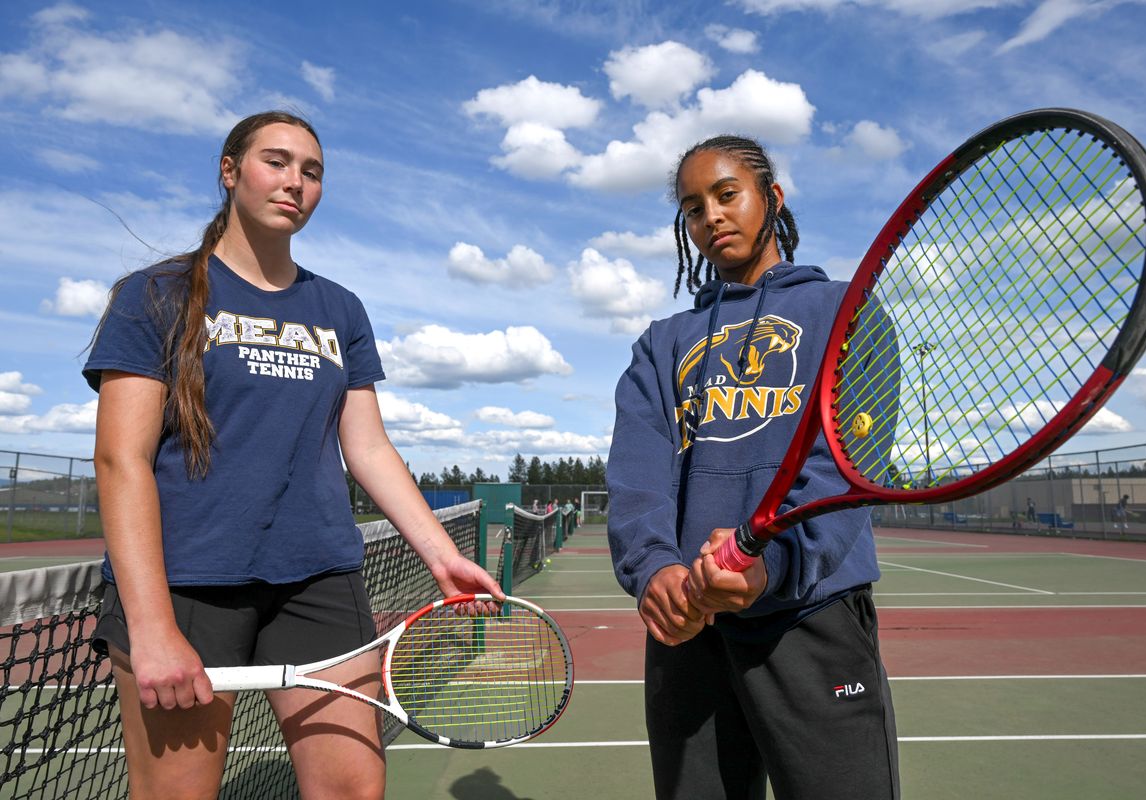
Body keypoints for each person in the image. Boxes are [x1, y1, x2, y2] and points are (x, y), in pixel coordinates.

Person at [84, 111, 502, 800]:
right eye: (276, 162)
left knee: (353, 789)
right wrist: (153, 628)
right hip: (185, 583)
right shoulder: (153, 295)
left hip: (316, 581)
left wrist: (441, 555)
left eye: (312, 172)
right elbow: (119, 462)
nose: (295, 183)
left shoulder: (339, 308)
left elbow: (365, 446)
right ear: (229, 171)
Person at [606, 135, 900, 799]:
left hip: (809, 612)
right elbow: (636, 477)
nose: (709, 215)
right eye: (690, 207)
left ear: (773, 197)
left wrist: (778, 562)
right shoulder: (662, 344)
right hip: (690, 626)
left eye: (725, 193)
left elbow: (845, 469)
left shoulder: (846, 311)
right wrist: (656, 572)